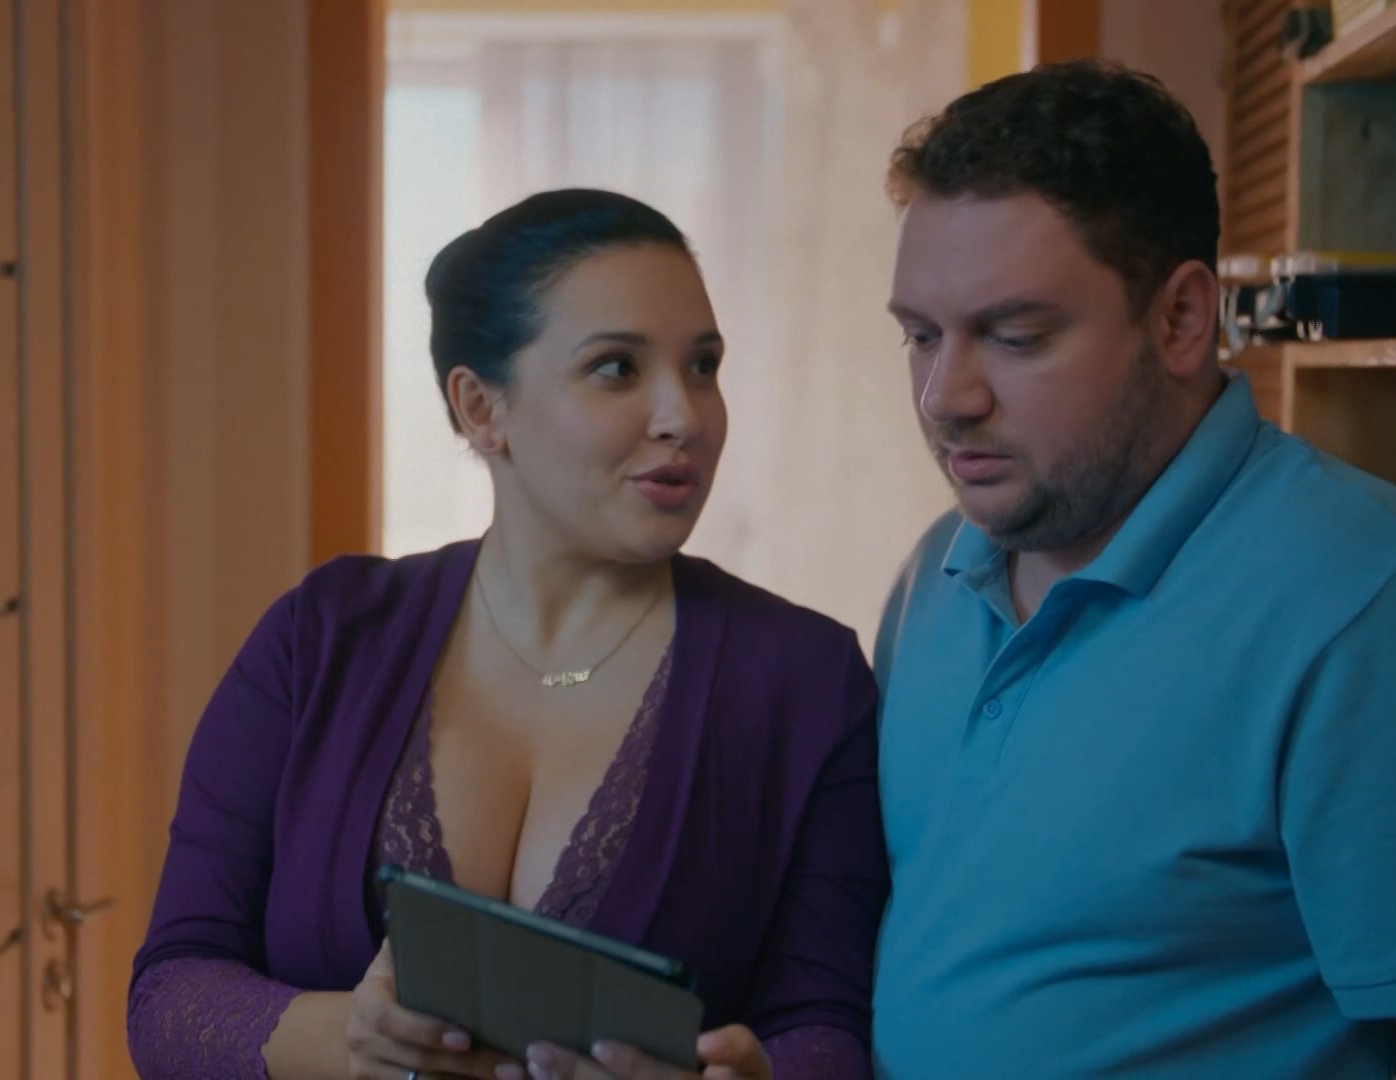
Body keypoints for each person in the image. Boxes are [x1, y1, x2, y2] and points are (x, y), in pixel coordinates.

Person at [869, 60, 1396, 1077]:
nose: (945, 396)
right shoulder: (936, 576)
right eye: (920, 336)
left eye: (1016, 337)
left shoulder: (1387, 605)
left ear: (1181, 319)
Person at [127, 189, 887, 1080]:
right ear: (481, 408)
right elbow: (168, 997)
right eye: (617, 367)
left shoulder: (808, 680)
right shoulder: (320, 638)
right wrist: (348, 1040)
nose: (683, 414)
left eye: (703, 365)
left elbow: (826, 1026)